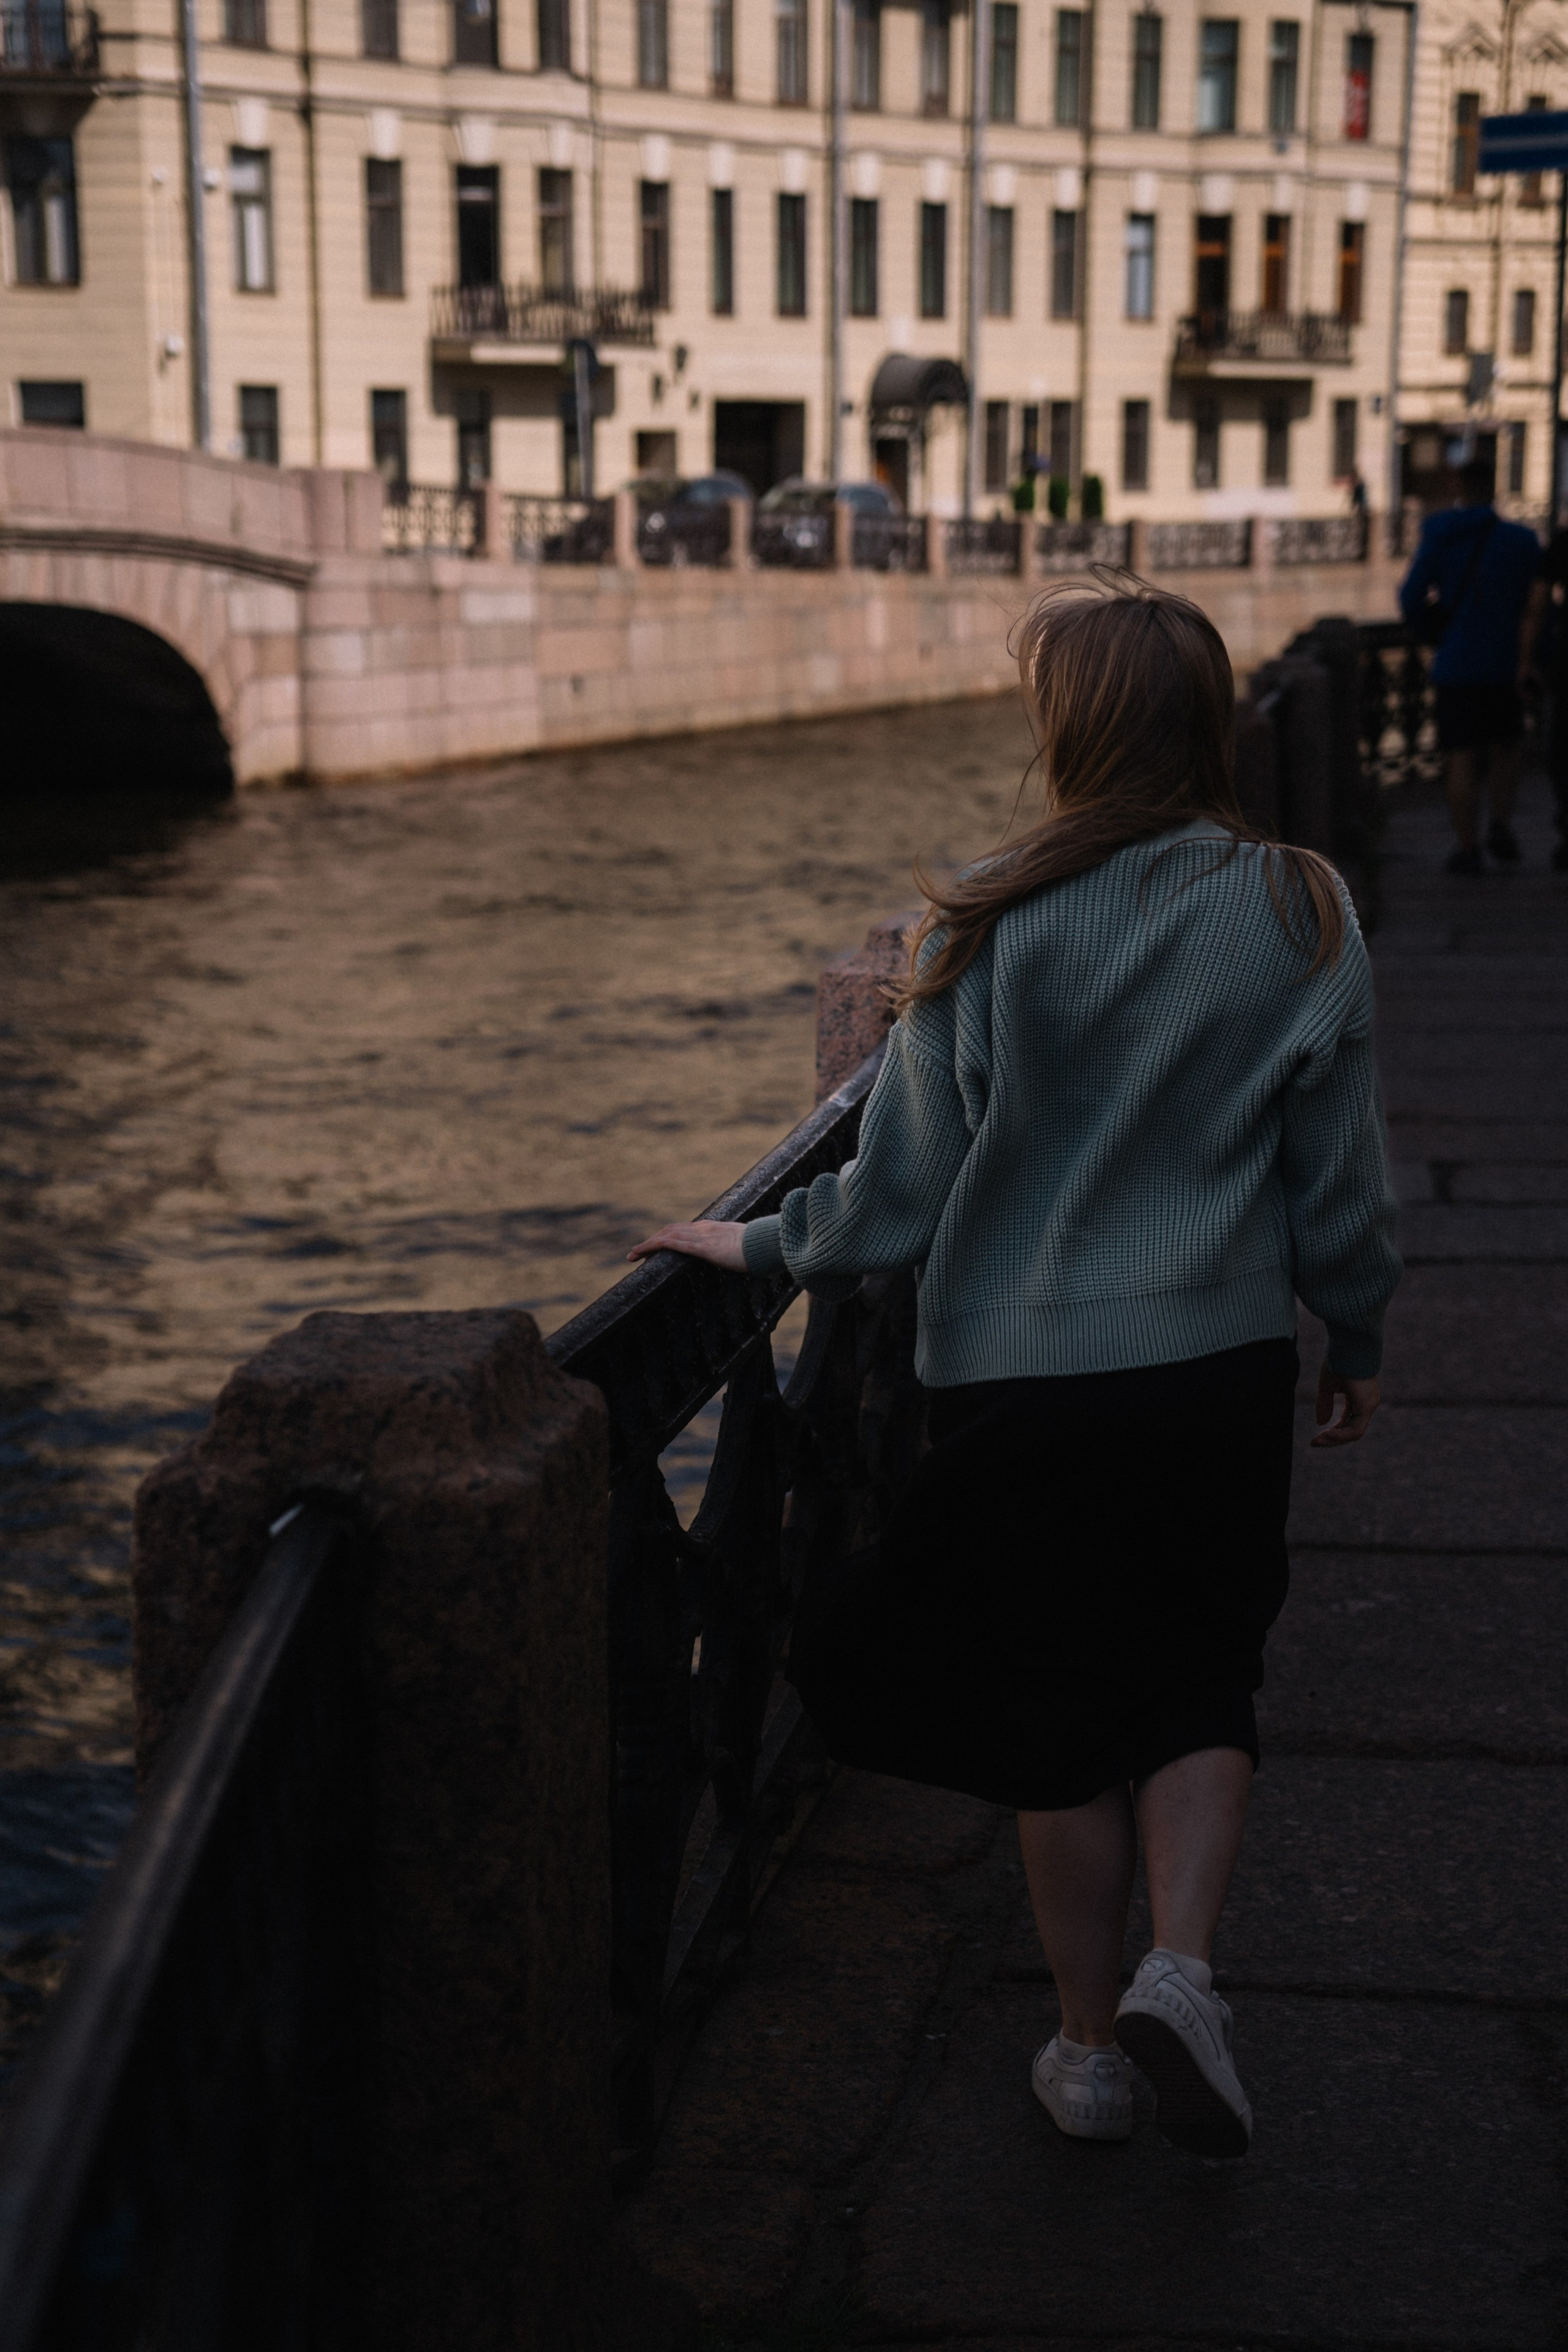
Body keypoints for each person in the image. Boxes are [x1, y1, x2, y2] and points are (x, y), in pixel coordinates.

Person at [630, 577, 1400, 2162]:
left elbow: (901, 1187)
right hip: (1222, 1364)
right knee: (1200, 1673)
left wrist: (758, 1248)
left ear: (1067, 731)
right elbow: (1341, 1185)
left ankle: (1087, 2052)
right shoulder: (1301, 905)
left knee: (1063, 1706)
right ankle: (1184, 1971)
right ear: (1206, 726)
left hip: (1025, 1383)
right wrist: (1360, 1335)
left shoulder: (985, 916)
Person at [1398, 457, 1542, 875]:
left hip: (1457, 663)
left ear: (1458, 485)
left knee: (1460, 753)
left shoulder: (1440, 536)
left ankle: (1467, 847)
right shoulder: (1522, 541)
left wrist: (1434, 629)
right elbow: (1536, 608)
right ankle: (1501, 825)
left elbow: (1410, 598)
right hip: (1508, 663)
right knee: (1506, 747)